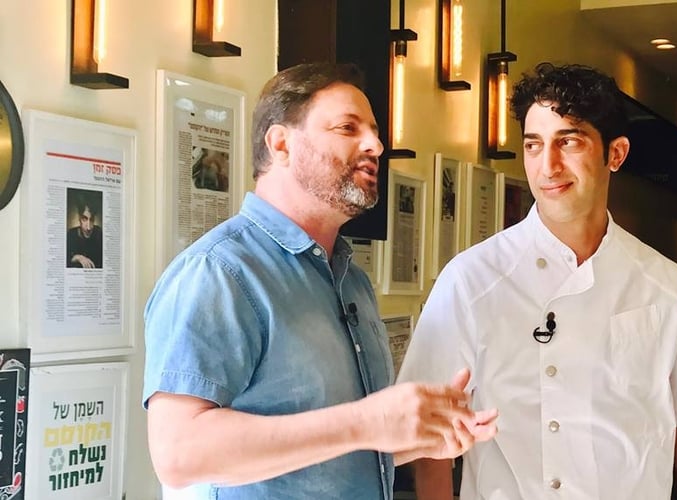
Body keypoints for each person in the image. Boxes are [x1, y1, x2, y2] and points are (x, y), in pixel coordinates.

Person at [143, 63, 497, 500]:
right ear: (281, 144)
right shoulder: (218, 272)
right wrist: (368, 422)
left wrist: (419, 436)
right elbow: (179, 454)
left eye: (374, 131)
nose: (376, 145)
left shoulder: (352, 281)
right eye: (348, 128)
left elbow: (331, 450)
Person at [397, 62, 677, 500]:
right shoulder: (471, 279)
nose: (548, 166)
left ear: (616, 153)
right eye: (534, 145)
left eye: (568, 142)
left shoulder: (668, 286)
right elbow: (431, 442)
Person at [66, 195, 103, 268]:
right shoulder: (71, 234)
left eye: (91, 219)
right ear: (79, 219)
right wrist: (77, 257)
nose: (89, 227)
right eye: (84, 219)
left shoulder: (99, 233)